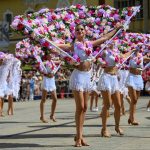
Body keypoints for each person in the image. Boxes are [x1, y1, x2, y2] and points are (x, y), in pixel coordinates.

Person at [57, 23, 123, 146]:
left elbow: (105, 38)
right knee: (80, 107)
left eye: (82, 29)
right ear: (75, 33)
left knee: (85, 108)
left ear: (85, 32)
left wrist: (117, 29)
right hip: (78, 77)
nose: (80, 31)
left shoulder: (90, 44)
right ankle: (78, 137)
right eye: (77, 30)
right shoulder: (73, 46)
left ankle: (80, 136)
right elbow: (57, 46)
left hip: (88, 77)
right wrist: (43, 40)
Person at [97, 43, 126, 137]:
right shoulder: (105, 51)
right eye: (111, 41)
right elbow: (97, 57)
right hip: (106, 78)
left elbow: (125, 56)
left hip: (114, 78)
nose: (113, 43)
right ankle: (104, 129)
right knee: (108, 104)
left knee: (118, 105)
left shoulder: (117, 52)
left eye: (115, 41)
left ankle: (117, 126)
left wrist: (133, 51)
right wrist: (100, 62)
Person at [126, 48, 150, 125]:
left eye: (139, 48)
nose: (137, 49)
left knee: (135, 101)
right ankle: (132, 118)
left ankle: (131, 117)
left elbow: (148, 59)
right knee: (134, 98)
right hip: (131, 77)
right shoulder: (130, 56)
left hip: (139, 78)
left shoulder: (141, 56)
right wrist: (131, 50)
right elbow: (123, 56)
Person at [40, 53, 59, 123]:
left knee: (55, 99)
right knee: (43, 99)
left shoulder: (53, 62)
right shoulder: (44, 62)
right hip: (46, 80)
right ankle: (42, 116)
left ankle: (52, 115)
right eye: (50, 54)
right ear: (47, 56)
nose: (52, 55)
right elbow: (40, 69)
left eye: (52, 54)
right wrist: (45, 74)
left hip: (52, 80)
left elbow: (59, 63)